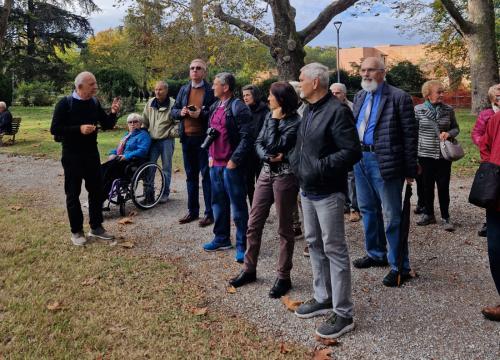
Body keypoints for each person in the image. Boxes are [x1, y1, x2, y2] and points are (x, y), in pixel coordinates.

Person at [290, 63, 361, 339]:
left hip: (329, 192)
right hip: (307, 189)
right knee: (313, 243)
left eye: (301, 79)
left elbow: (351, 151)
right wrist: (299, 166)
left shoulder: (337, 110)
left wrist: (317, 167)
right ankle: (323, 297)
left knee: (334, 248)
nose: (299, 84)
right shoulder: (309, 109)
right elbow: (301, 145)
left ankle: (343, 313)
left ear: (315, 82)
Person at [229, 82, 300, 298]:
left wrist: (276, 127)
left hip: (285, 177)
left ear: (281, 99)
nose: (268, 99)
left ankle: (283, 276)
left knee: (284, 229)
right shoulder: (270, 116)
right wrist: (266, 155)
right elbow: (260, 143)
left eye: (271, 96)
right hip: (266, 173)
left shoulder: (295, 121)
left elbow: (278, 145)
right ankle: (249, 269)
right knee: (253, 223)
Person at [351, 57, 417, 287]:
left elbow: (410, 135)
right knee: (368, 209)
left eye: (371, 70)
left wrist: (410, 169)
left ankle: (400, 266)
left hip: (385, 161)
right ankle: (375, 253)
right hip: (360, 159)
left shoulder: (398, 97)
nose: (366, 74)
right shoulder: (360, 95)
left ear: (382, 72)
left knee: (391, 216)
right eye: (363, 70)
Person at [50, 71, 121, 246]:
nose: (95, 87)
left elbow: (106, 124)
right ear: (80, 86)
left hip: (91, 154)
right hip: (72, 154)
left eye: (95, 83)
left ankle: (96, 227)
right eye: (92, 84)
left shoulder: (94, 102)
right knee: (73, 193)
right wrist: (79, 129)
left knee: (96, 191)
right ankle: (76, 231)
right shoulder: (65, 104)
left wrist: (112, 113)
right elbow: (55, 129)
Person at [202, 72, 254, 263]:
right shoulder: (215, 106)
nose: (212, 87)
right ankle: (221, 238)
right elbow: (211, 133)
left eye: (215, 84)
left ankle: (242, 245)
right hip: (215, 164)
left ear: (225, 87)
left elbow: (248, 137)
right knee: (218, 203)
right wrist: (209, 155)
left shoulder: (238, 108)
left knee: (238, 206)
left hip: (232, 166)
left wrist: (234, 160)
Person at [172, 59, 215, 227]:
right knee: (190, 176)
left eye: (198, 68)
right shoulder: (184, 89)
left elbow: (215, 111)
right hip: (187, 138)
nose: (195, 71)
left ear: (204, 72)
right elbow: (173, 111)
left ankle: (209, 213)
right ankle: (192, 211)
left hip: (204, 139)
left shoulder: (210, 90)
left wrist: (201, 114)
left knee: (206, 176)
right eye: (192, 68)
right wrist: (181, 112)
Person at [414, 80, 459, 231]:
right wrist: (413, 156)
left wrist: (449, 133)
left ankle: (446, 217)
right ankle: (429, 214)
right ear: (427, 94)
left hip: (443, 155)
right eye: (438, 92)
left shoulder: (448, 109)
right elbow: (412, 133)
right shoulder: (418, 110)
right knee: (426, 186)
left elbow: (456, 128)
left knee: (443, 186)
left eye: (442, 92)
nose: (442, 94)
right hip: (424, 155)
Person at [478, 111, 500, 322]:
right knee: (496, 250)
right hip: (497, 198)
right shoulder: (497, 119)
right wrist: (492, 172)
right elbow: (485, 144)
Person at [101, 113, 151, 203]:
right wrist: (112, 153)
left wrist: (127, 156)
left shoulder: (143, 135)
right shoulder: (127, 135)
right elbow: (119, 149)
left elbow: (142, 151)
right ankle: (96, 196)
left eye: (135, 122)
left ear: (140, 123)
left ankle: (99, 199)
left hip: (132, 162)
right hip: (120, 160)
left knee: (108, 173)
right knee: (102, 170)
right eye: (130, 122)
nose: (132, 124)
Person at [472, 84, 500, 237]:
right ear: (492, 99)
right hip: (491, 161)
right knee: (490, 192)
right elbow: (477, 134)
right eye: (498, 95)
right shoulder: (487, 114)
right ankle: (489, 223)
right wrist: (486, 154)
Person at [142, 81, 178, 203]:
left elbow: (178, 124)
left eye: (160, 89)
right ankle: (149, 195)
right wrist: (143, 132)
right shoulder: (150, 103)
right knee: (149, 167)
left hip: (167, 141)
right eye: (156, 89)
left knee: (166, 168)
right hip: (152, 141)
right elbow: (144, 120)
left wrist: (170, 133)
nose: (157, 92)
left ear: (166, 91)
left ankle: (164, 194)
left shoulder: (173, 104)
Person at [330, 83, 360, 223]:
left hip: (348, 148)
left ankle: (354, 208)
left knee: (351, 178)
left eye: (337, 93)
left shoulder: (353, 108)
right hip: (334, 149)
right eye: (332, 93)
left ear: (344, 94)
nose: (334, 95)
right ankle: (344, 205)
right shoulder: (328, 108)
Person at [242, 84, 269, 205]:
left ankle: (260, 208)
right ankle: (253, 207)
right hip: (247, 153)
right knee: (248, 182)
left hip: (260, 153)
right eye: (244, 95)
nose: (245, 98)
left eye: (248, 95)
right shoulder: (243, 110)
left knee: (261, 183)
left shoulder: (265, 111)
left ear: (255, 95)